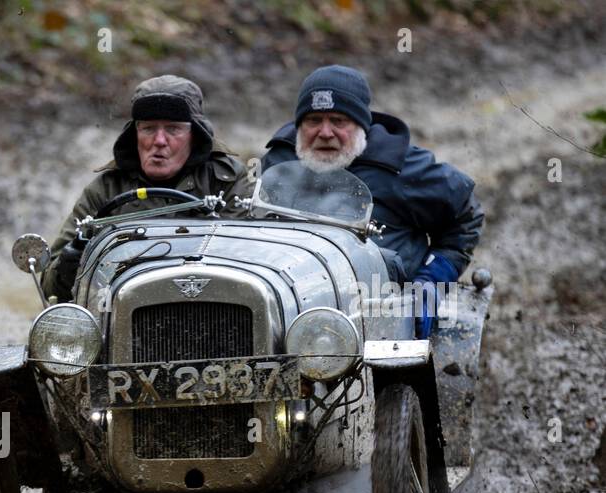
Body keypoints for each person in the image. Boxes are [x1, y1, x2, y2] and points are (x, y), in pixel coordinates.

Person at [261, 64, 484, 337]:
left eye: (338, 120)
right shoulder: (279, 162)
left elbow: (466, 215)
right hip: (294, 311)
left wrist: (432, 279)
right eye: (313, 120)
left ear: (360, 125)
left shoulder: (401, 167)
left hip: (380, 312)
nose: (325, 132)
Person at [41, 75, 250, 302]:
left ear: (195, 136)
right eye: (149, 128)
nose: (159, 140)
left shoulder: (228, 182)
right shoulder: (106, 190)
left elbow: (253, 264)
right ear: (134, 135)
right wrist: (69, 265)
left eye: (173, 129)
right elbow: (50, 290)